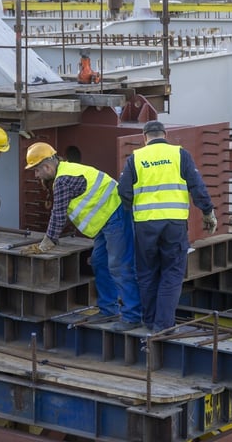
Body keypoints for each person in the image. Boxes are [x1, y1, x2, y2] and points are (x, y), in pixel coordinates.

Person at [23, 142, 142, 331]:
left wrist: (49, 240)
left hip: (116, 215)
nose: (36, 175)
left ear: (46, 166)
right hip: (107, 218)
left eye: (36, 171)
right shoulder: (66, 171)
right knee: (99, 261)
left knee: (120, 265)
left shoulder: (63, 180)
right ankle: (108, 309)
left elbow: (59, 213)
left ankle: (133, 316)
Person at [119, 121, 218, 333]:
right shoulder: (180, 154)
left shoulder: (136, 158)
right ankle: (163, 325)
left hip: (145, 224)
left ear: (145, 138)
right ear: (165, 135)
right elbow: (197, 187)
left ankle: (149, 320)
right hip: (174, 223)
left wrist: (134, 209)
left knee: (147, 273)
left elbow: (124, 191)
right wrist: (208, 212)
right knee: (172, 273)